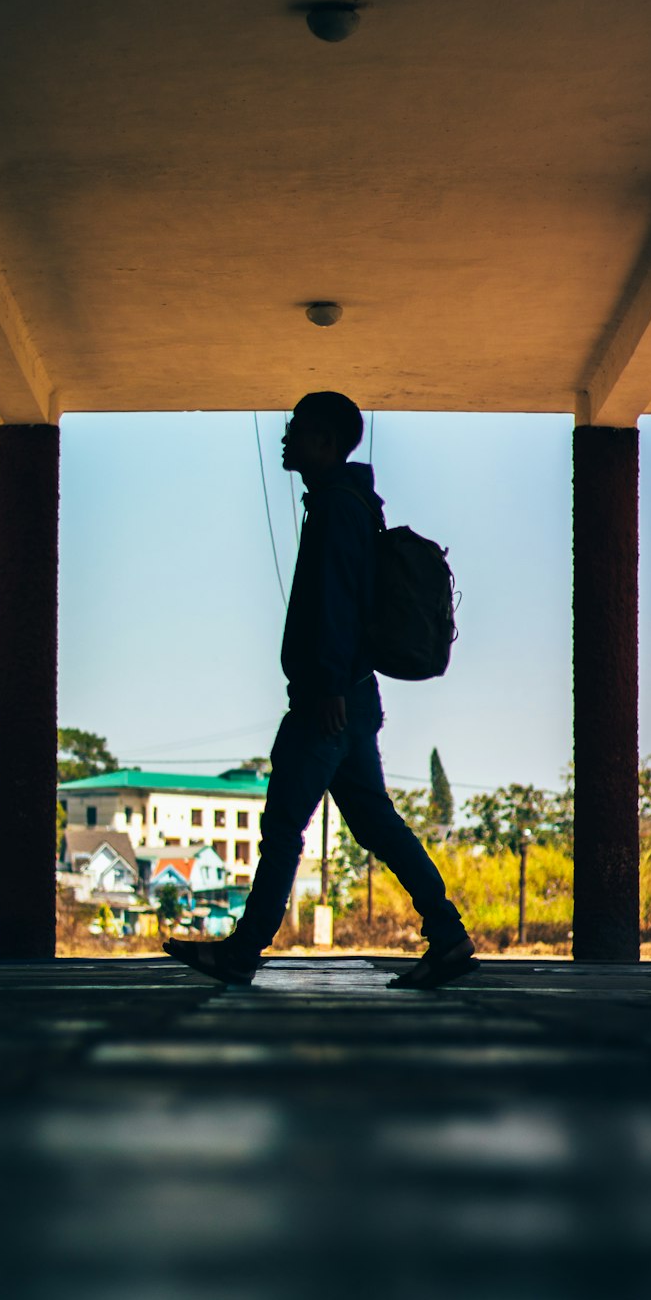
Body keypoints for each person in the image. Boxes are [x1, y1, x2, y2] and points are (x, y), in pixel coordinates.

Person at [164, 391, 475, 990]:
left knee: (284, 825)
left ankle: (243, 951)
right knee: (378, 823)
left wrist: (326, 683)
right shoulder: (354, 503)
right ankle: (448, 934)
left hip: (328, 696)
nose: (286, 439)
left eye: (297, 431)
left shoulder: (336, 508)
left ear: (327, 443)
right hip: (354, 695)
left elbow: (334, 605)